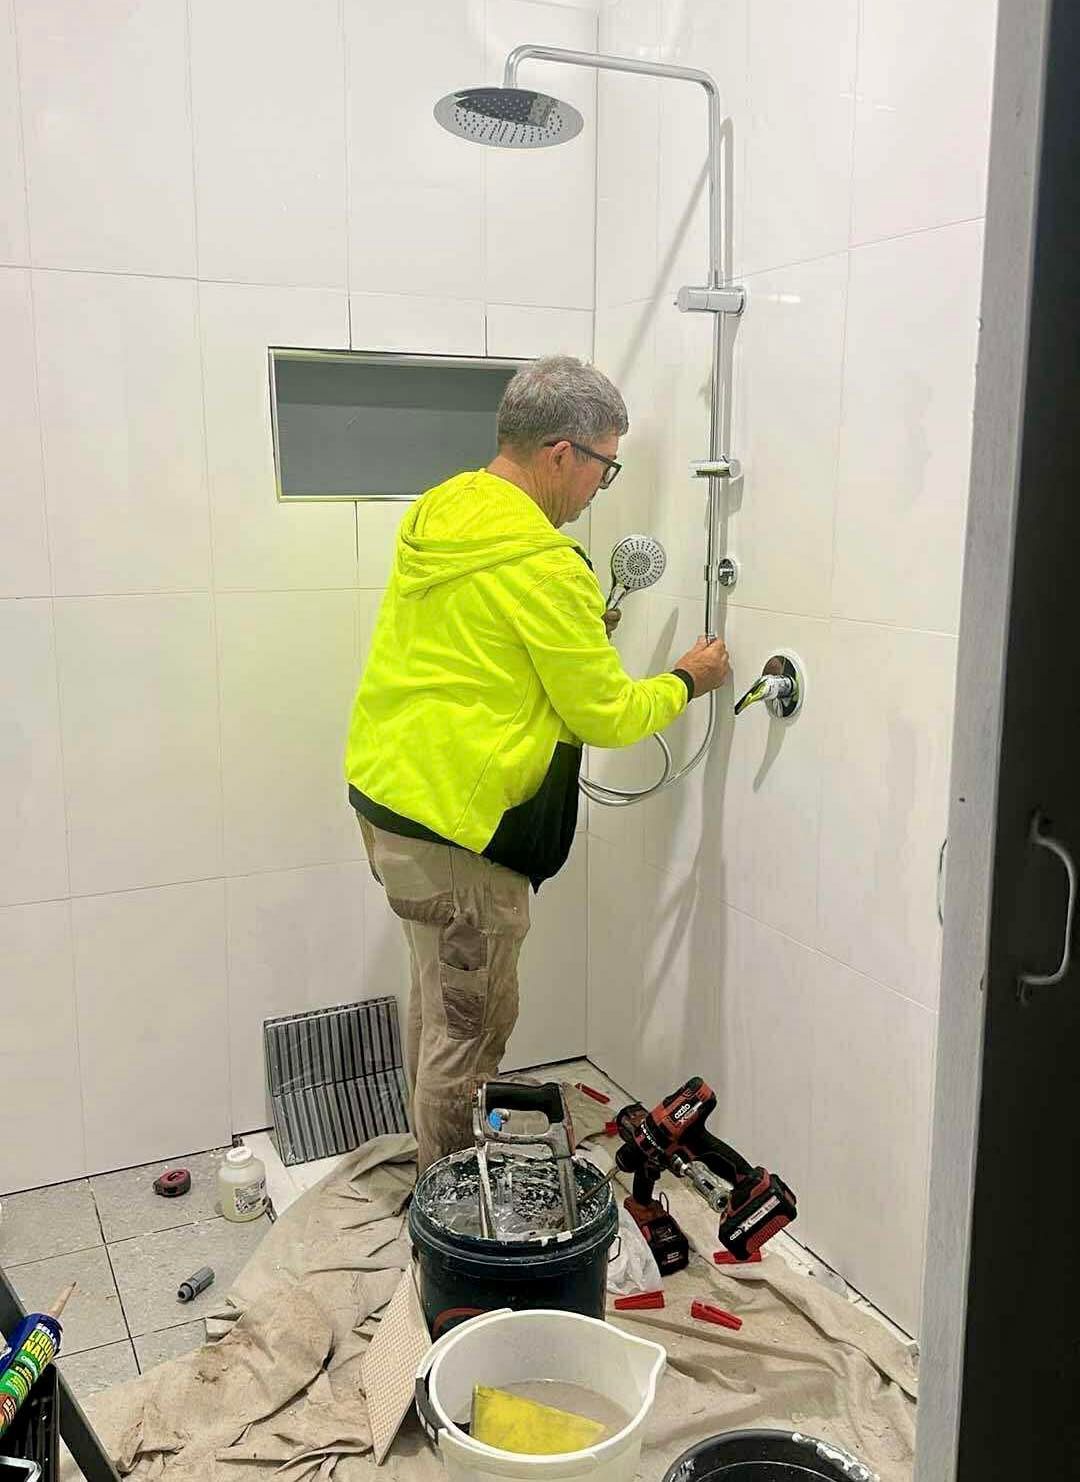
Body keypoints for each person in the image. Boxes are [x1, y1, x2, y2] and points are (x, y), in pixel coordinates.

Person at [344, 356, 731, 1172]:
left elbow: (484, 655)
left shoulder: (446, 511)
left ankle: (433, 1173)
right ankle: (453, 1219)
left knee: (437, 1007)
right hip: (463, 836)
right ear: (562, 454)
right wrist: (685, 680)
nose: (600, 486)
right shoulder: (545, 565)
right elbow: (606, 714)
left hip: (390, 802)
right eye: (603, 465)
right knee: (472, 1028)